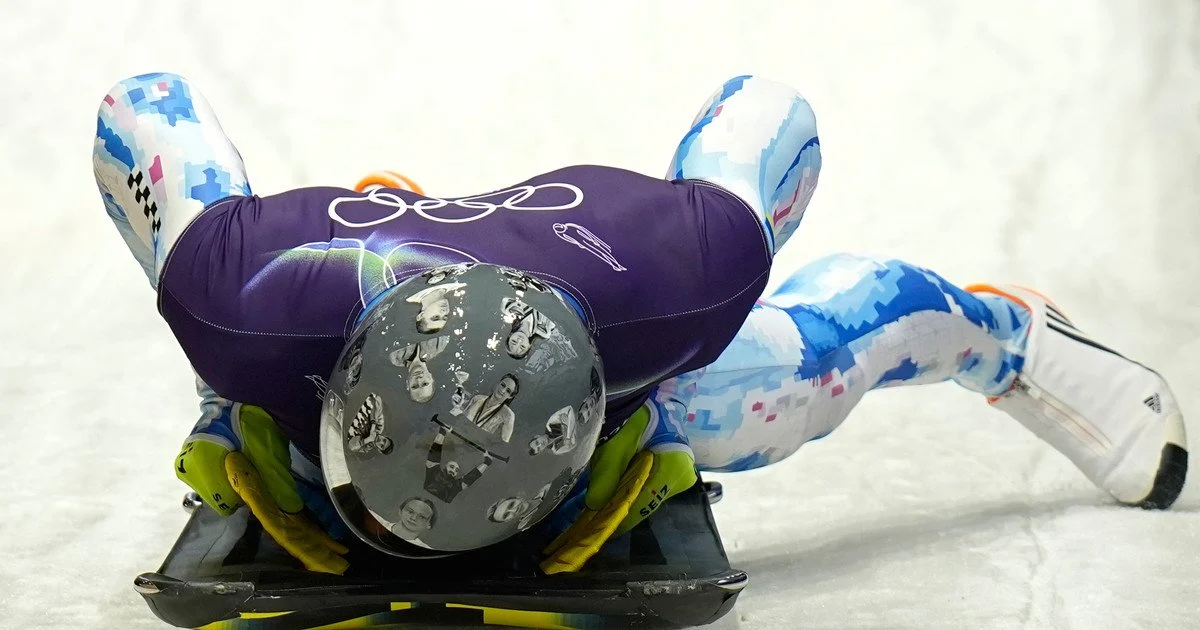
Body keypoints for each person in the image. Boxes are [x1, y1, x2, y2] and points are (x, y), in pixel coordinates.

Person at [94, 73, 1187, 575]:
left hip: (607, 287)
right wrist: (235, 389)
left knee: (841, 351)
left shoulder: (686, 274)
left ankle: (1011, 338)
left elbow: (770, 110)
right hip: (318, 325)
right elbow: (139, 107)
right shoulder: (236, 292)